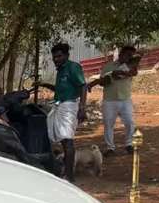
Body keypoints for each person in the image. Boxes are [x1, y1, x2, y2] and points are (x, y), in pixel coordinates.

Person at [39, 42, 87, 181]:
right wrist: (45, 85)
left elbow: (83, 86)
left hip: (69, 106)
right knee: (63, 141)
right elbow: (59, 89)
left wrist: (82, 108)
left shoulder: (73, 67)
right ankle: (66, 171)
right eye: (54, 57)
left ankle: (69, 176)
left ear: (66, 55)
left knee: (67, 140)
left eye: (59, 56)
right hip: (60, 106)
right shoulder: (60, 70)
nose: (56, 59)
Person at [88, 45, 140, 155]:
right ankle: (110, 148)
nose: (130, 57)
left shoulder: (131, 66)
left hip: (125, 99)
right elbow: (103, 82)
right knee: (108, 125)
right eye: (128, 55)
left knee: (130, 123)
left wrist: (118, 73)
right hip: (109, 100)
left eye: (131, 56)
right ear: (121, 54)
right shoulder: (108, 66)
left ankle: (129, 144)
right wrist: (110, 77)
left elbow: (133, 73)